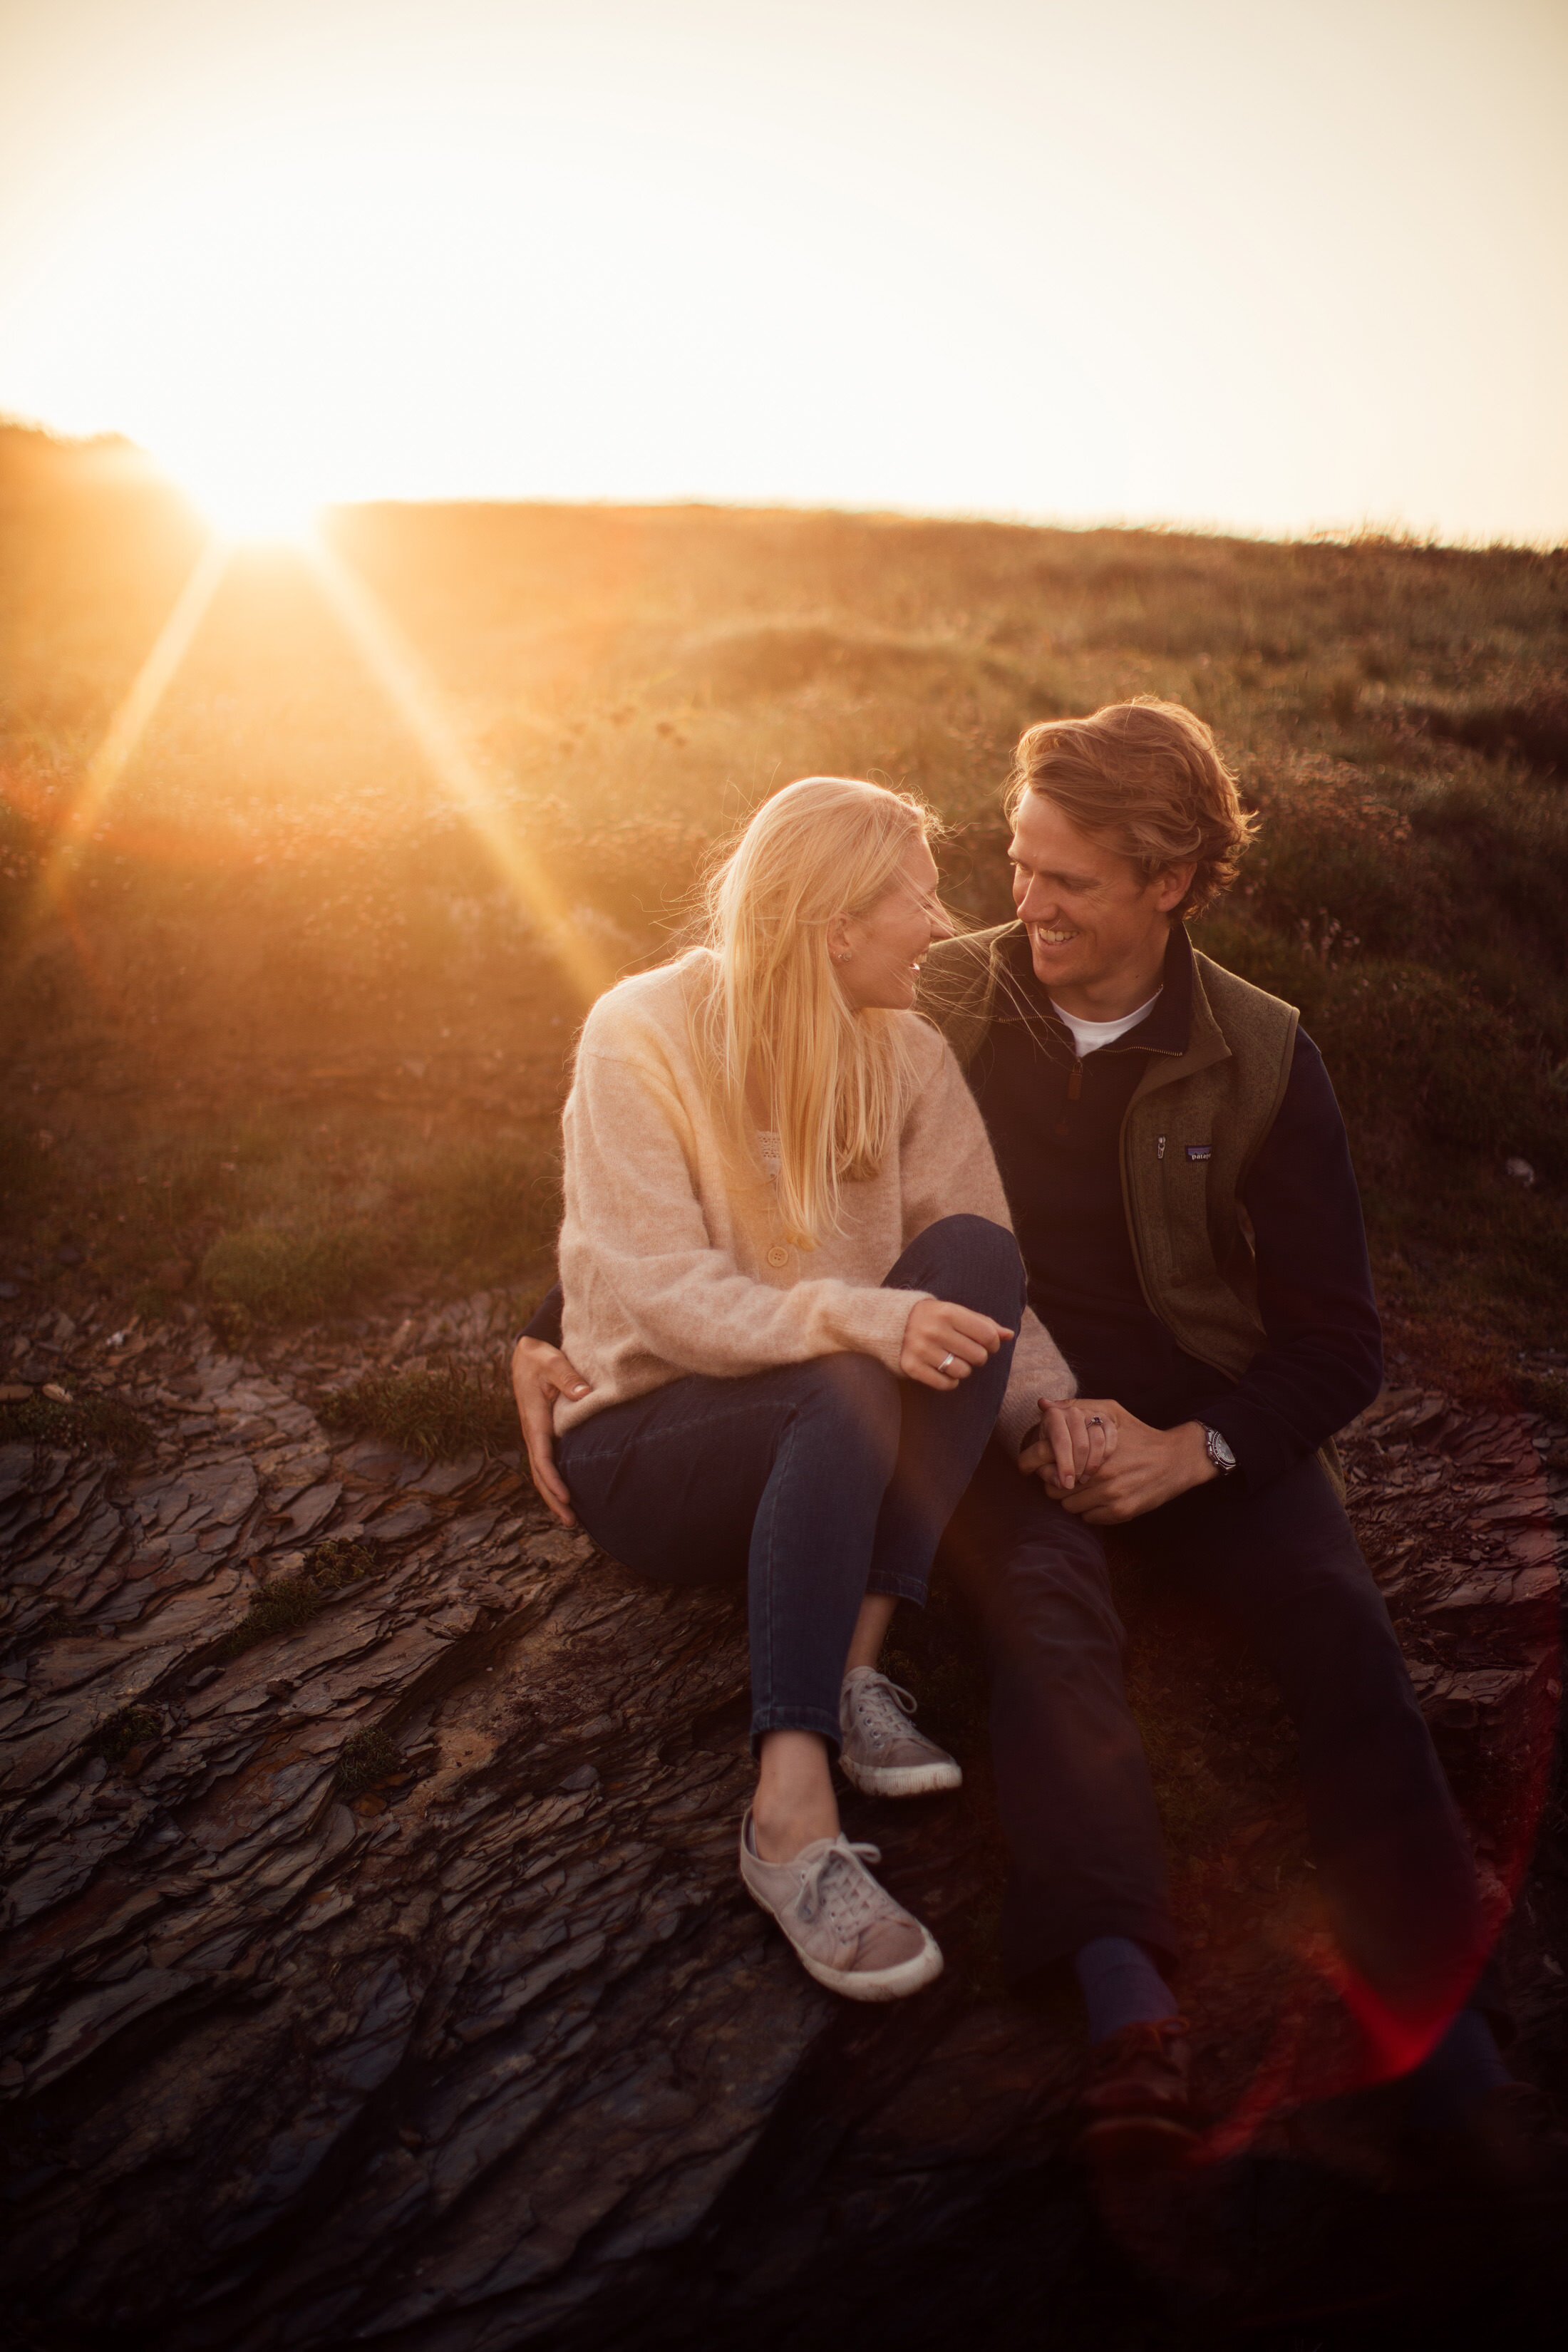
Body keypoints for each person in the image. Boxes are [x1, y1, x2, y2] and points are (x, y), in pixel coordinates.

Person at [516, 703, 1521, 2173]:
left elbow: (1333, 1341)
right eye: (1011, 865)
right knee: (1046, 1625)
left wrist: (1187, 1448)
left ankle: (1443, 2026)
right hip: (978, 1394)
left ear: (1166, 882)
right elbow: (671, 1198)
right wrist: (551, 1329)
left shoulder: (1257, 1055)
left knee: (1334, 1625)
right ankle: (1125, 2011)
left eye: (1064, 881)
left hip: (1170, 1410)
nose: (1013, 907)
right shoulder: (947, 997)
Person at [530, 773, 1094, 2005]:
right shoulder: (642, 1030)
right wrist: (858, 1317)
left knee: (973, 1258)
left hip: (830, 1431)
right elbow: (664, 1292)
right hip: (653, 1440)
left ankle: (855, 1662)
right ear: (838, 922)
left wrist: (1050, 1407)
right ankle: (789, 1816)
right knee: (840, 1376)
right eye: (919, 898)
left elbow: (981, 1277)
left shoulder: (906, 1053)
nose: (943, 927)